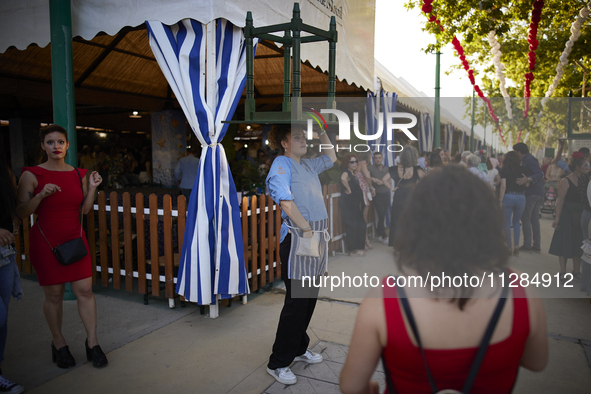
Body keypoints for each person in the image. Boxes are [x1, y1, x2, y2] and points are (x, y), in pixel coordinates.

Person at [340, 165, 548, 394]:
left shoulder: (384, 297)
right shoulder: (520, 290)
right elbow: (537, 362)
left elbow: (351, 387)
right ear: (487, 221)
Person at [16, 125, 108, 369]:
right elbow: (21, 212)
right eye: (50, 142)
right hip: (46, 241)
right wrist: (40, 196)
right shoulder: (32, 174)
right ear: (43, 146)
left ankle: (93, 343)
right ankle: (59, 344)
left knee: (85, 292)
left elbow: (85, 210)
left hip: (75, 238)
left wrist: (92, 188)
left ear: (67, 145)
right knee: (54, 295)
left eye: (60, 142)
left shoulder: (78, 174)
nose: (56, 146)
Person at [265, 123, 336, 385]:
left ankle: (298, 346)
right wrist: (306, 230)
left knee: (308, 299)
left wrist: (323, 132)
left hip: (315, 236)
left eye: (304, 137)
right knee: (296, 303)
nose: (304, 140)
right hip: (300, 236)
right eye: (297, 137)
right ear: (284, 143)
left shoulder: (307, 165)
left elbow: (331, 157)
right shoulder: (282, 164)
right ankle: (278, 362)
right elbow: (284, 200)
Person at [0, 157, 24, 394]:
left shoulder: (4, 170)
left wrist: (13, 221)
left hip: (4, 254)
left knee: (3, 318)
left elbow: (14, 207)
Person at [549, 152, 587, 281]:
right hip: (567, 213)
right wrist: (557, 217)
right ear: (577, 167)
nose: (587, 167)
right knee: (564, 241)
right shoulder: (566, 180)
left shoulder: (586, 180)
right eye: (585, 165)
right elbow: (560, 200)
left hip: (581, 214)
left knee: (579, 242)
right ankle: (563, 271)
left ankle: (576, 271)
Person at [382, 145, 425, 246]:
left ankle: (397, 244)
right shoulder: (416, 169)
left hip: (399, 195)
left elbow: (384, 180)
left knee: (397, 220)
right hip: (412, 195)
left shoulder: (394, 169)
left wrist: (391, 188)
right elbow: (426, 180)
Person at [514, 142, 545, 252]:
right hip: (538, 192)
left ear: (518, 152)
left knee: (526, 217)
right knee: (534, 218)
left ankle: (527, 244)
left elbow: (539, 174)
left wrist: (528, 179)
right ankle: (536, 245)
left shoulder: (529, 160)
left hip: (532, 192)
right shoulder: (529, 158)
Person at [499, 151, 526, 255]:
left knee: (506, 222)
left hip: (508, 196)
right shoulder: (523, 169)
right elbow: (526, 184)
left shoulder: (504, 170)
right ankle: (516, 246)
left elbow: (503, 186)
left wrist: (500, 200)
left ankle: (508, 247)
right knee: (516, 222)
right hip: (520, 197)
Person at [340, 153, 367, 256]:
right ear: (347, 163)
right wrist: (348, 189)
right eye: (352, 162)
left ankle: (359, 248)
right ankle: (353, 250)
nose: (355, 163)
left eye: (356, 161)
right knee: (352, 226)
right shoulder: (346, 172)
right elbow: (343, 178)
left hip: (356, 204)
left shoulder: (353, 173)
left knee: (360, 225)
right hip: (349, 204)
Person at [368, 152, 390, 244]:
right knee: (381, 214)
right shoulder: (370, 168)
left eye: (379, 158)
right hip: (376, 194)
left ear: (382, 159)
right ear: (373, 159)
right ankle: (383, 235)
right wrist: (374, 180)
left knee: (383, 214)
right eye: (376, 158)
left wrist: (387, 184)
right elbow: (367, 177)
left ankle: (379, 234)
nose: (378, 159)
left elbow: (389, 180)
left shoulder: (386, 169)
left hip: (386, 193)